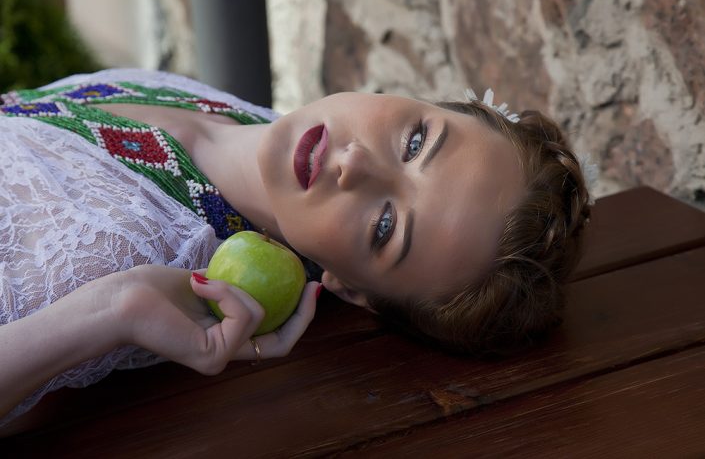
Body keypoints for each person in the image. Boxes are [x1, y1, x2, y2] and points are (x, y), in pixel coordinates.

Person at [0, 69, 592, 424]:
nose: (355, 162)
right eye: (416, 141)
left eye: (385, 227)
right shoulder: (251, 119)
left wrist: (110, 310)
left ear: (351, 290)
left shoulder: (124, 253)